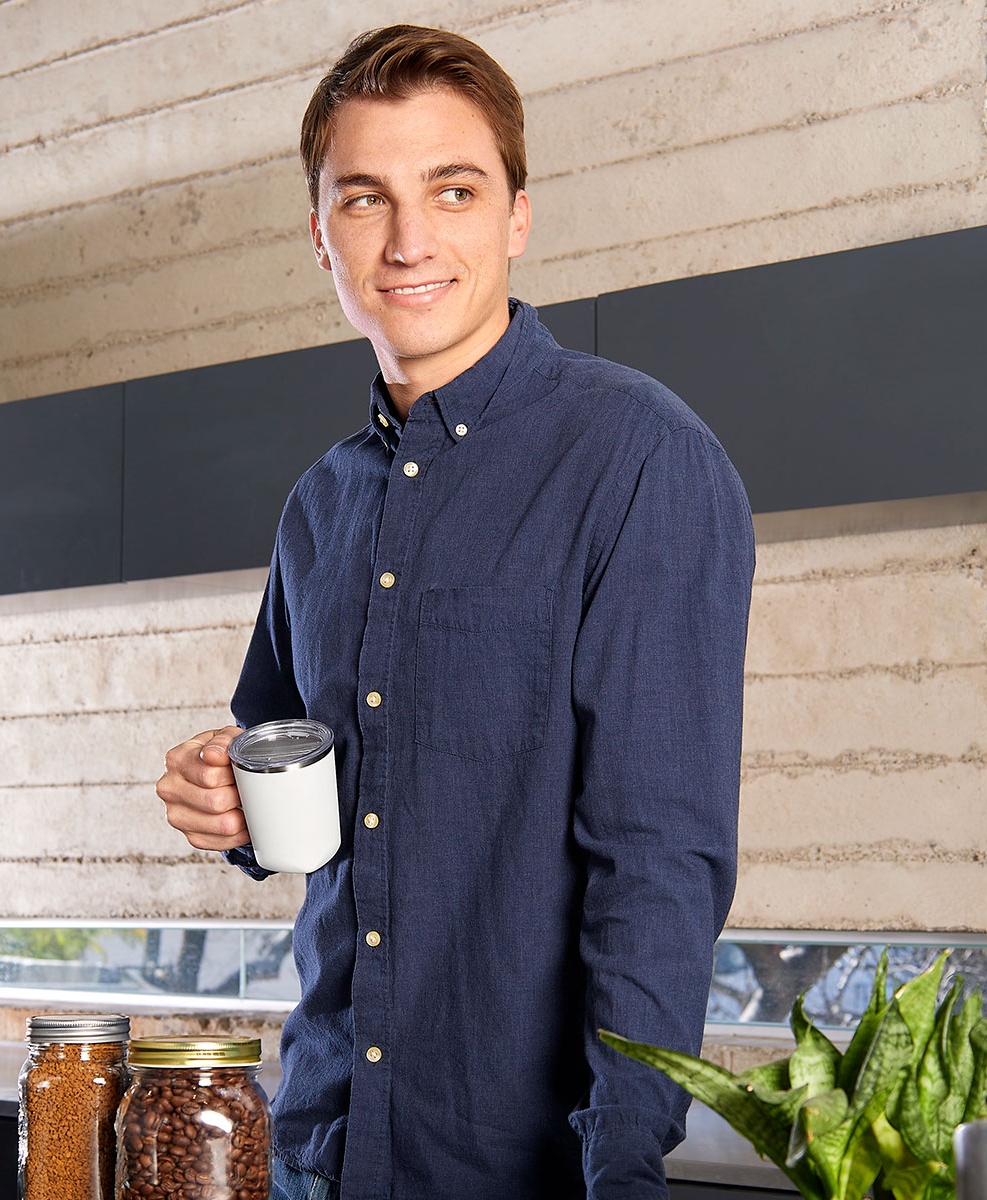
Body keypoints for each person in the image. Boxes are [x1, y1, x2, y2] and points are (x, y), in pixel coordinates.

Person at [157, 24, 755, 1200]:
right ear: (320, 236)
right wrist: (227, 801)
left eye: (454, 190)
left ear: (517, 216)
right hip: (322, 1148)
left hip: (521, 1171)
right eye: (364, 198)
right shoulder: (319, 506)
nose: (409, 240)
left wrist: (623, 1167)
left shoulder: (639, 459)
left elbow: (658, 863)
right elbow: (297, 787)